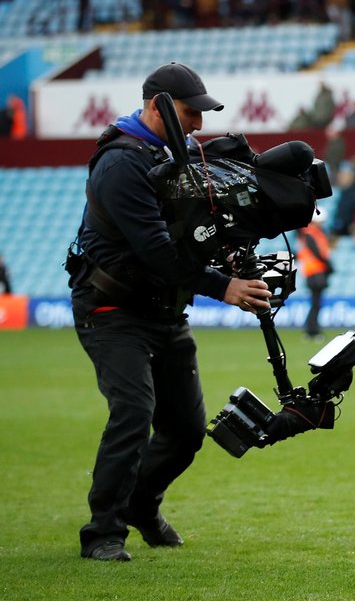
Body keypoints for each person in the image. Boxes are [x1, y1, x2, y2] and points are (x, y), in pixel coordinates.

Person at [68, 62, 273, 561]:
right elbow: (156, 249)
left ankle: (141, 507)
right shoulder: (121, 163)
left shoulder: (166, 156)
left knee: (185, 429)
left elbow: (184, 237)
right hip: (113, 307)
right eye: (189, 113)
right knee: (134, 412)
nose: (199, 125)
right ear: (158, 106)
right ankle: (103, 533)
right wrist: (223, 287)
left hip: (163, 309)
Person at [297, 208, 333, 341]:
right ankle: (312, 330)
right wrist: (329, 266)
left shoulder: (310, 233)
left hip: (315, 271)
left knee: (316, 303)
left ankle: (311, 329)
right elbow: (317, 252)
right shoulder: (310, 233)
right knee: (316, 303)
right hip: (315, 272)